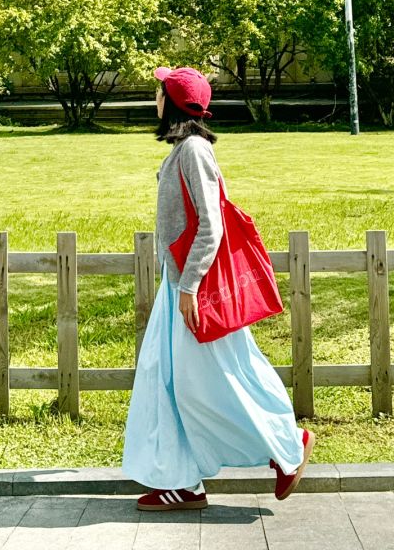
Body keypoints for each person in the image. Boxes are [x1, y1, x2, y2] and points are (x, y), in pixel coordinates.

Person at [122, 65, 313, 512]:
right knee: (169, 381)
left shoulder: (193, 149)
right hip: (179, 288)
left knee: (218, 379)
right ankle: (183, 482)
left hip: (195, 292)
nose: (155, 97)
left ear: (171, 102)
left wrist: (188, 287)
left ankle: (289, 442)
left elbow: (212, 227)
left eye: (159, 91)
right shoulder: (183, 150)